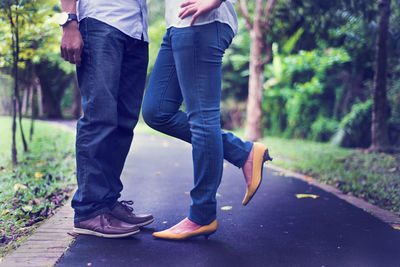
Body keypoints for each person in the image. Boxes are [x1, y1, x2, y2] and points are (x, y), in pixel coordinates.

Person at [142, 0, 272, 240]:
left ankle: (202, 215)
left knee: (202, 119)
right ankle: (244, 153)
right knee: (156, 111)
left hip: (201, 22)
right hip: (178, 24)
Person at [59, 0, 154, 238]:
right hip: (101, 22)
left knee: (124, 124)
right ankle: (89, 210)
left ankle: (108, 202)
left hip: (137, 31)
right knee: (100, 118)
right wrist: (69, 21)